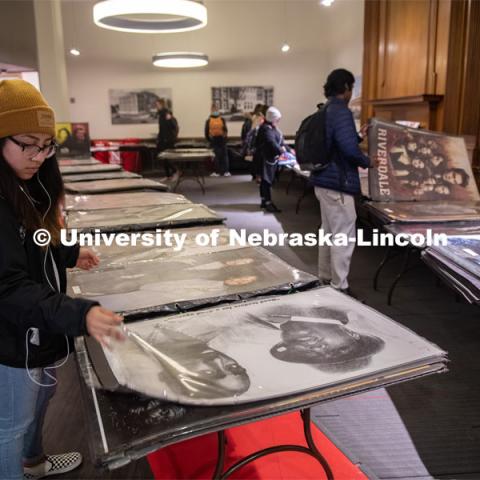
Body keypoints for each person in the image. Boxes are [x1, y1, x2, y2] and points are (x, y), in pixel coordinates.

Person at [0, 79, 125, 480]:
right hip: (11, 342)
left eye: (46, 145)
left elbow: (34, 243)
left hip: (40, 333)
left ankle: (34, 464)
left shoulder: (26, 186)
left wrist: (68, 252)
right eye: (28, 144)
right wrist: (79, 314)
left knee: (42, 399)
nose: (39, 155)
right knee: (11, 427)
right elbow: (8, 287)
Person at [311, 69, 376, 295]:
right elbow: (348, 150)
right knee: (343, 235)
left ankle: (326, 277)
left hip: (323, 180)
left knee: (328, 231)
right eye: (352, 88)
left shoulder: (326, 109)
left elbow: (338, 143)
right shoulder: (341, 111)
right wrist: (369, 161)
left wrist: (359, 136)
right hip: (337, 182)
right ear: (347, 87)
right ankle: (340, 287)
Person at [254, 106, 287, 213]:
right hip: (265, 159)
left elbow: (280, 141)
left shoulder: (271, 127)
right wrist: (282, 152)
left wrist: (289, 150)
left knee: (265, 181)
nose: (278, 121)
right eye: (277, 119)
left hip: (268, 158)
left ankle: (264, 201)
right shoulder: (265, 129)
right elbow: (271, 142)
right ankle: (267, 202)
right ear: (272, 118)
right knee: (266, 181)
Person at [156, 99, 179, 179]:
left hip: (169, 140)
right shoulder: (160, 116)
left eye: (158, 105)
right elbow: (161, 129)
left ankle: (175, 171)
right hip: (162, 140)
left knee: (168, 158)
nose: (156, 107)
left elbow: (174, 127)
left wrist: (172, 138)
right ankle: (167, 175)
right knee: (163, 158)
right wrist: (158, 138)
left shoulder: (167, 114)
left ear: (162, 105)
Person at [205, 104, 230, 177]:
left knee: (218, 156)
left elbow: (206, 132)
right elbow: (225, 130)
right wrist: (224, 138)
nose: (215, 111)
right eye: (214, 110)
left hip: (216, 140)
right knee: (221, 156)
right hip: (219, 140)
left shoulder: (209, 120)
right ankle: (223, 172)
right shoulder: (221, 119)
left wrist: (210, 139)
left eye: (215, 109)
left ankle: (219, 172)